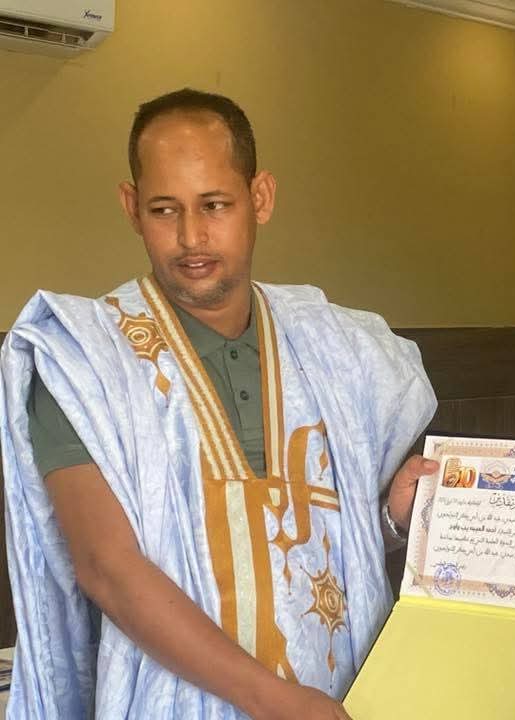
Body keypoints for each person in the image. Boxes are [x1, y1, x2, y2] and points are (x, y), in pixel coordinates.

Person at [0, 89, 438, 719]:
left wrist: (391, 521)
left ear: (260, 197)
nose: (191, 237)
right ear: (131, 207)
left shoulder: (342, 348)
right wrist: (275, 700)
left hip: (344, 701)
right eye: (164, 209)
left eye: (214, 205)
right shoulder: (81, 362)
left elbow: (316, 547)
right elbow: (106, 568)